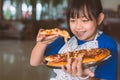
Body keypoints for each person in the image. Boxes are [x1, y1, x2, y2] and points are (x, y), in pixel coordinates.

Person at [30, 0, 118, 80]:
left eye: (84, 20)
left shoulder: (108, 44)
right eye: (73, 20)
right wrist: (42, 43)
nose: (78, 26)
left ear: (99, 18)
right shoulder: (64, 40)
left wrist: (84, 76)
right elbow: (35, 62)